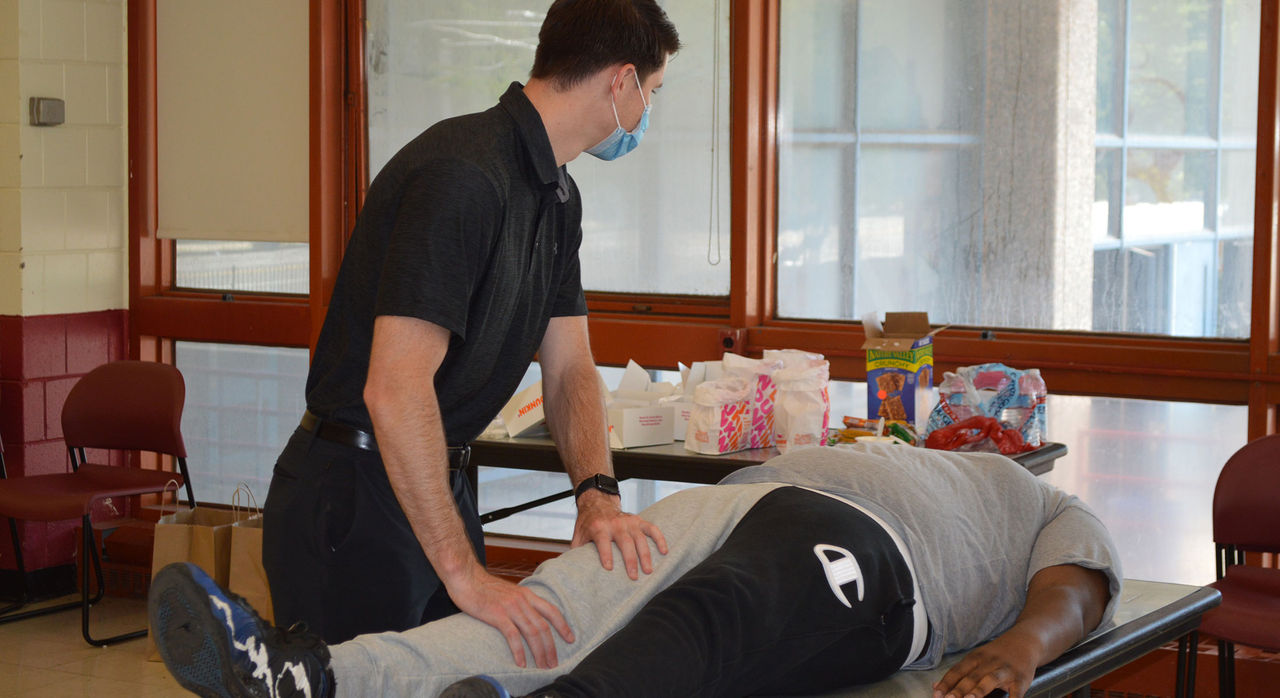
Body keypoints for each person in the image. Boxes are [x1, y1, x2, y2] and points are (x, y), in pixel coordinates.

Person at [261, 0, 681, 665]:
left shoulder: (557, 195)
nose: (646, 114)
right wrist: (464, 574)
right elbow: (395, 390)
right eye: (653, 93)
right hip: (356, 494)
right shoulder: (465, 176)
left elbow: (569, 365)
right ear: (621, 81)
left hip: (437, 480)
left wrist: (596, 494)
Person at [151, 444, 1122, 698]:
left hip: (877, 554)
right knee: (545, 608)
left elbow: (1076, 583)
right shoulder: (938, 452)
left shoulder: (1049, 503)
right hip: (747, 499)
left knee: (716, 617)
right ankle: (310, 677)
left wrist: (1017, 644)